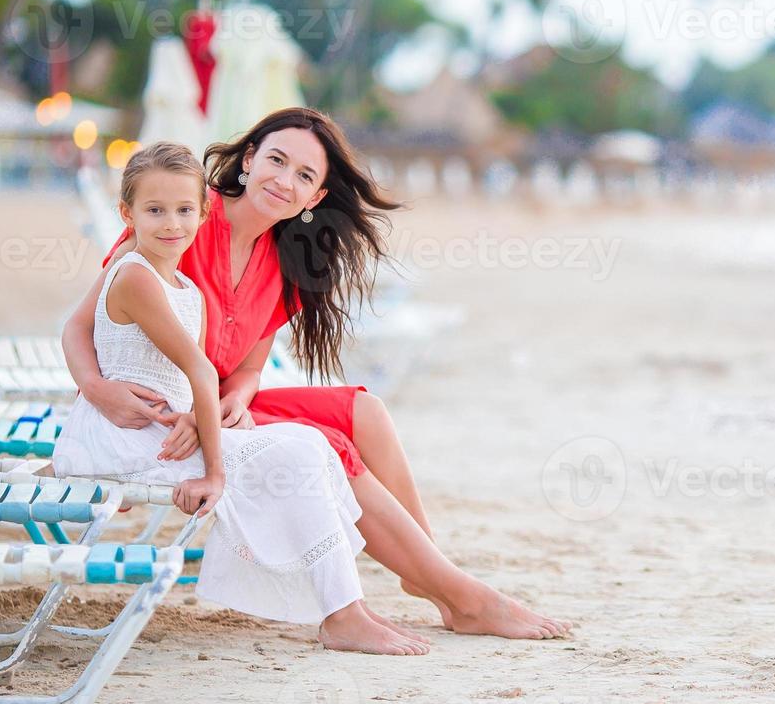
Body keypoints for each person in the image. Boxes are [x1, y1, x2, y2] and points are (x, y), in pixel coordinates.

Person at [62, 110, 570, 639]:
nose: (284, 181)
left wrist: (237, 395)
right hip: (170, 409)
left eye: (305, 176)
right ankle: (460, 595)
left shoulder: (286, 259)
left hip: (218, 406)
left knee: (365, 411)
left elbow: (251, 365)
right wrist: (97, 390)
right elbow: (79, 327)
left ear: (316, 199)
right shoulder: (181, 216)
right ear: (251, 156)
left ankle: (431, 573)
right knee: (329, 443)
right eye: (276, 160)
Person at [53, 142, 428, 655]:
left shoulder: (183, 285)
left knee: (310, 445)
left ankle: (347, 608)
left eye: (185, 211)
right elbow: (202, 373)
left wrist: (217, 423)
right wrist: (214, 472)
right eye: (155, 210)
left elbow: (205, 381)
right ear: (127, 214)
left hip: (160, 432)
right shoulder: (137, 275)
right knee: (299, 451)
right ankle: (343, 613)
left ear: (203, 213)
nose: (171, 224)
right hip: (125, 438)